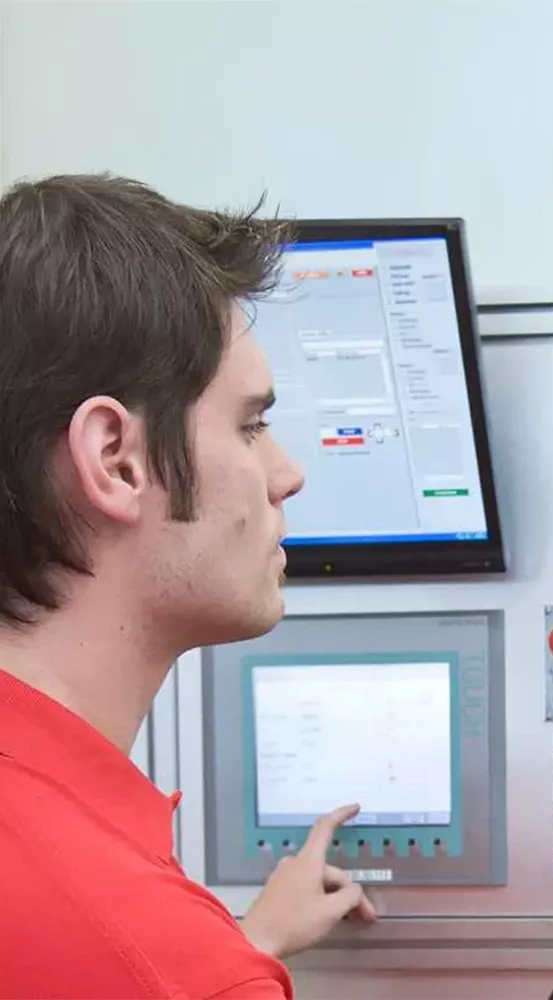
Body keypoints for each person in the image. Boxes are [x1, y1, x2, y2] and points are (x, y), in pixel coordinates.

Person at [0, 174, 376, 999]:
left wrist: (244, 944)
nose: (288, 474)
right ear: (116, 460)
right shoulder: (174, 967)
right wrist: (216, 967)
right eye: (249, 424)